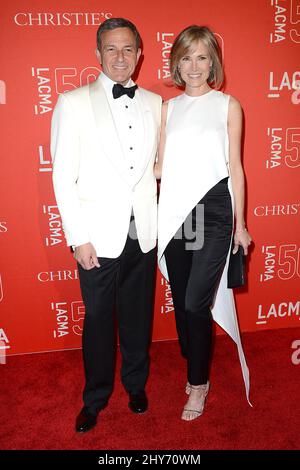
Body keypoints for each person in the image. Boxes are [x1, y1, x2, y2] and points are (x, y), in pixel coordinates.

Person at [51, 18, 162, 433]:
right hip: (96, 237)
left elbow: (154, 168)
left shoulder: (154, 102)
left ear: (139, 54)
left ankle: (135, 385)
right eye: (111, 49)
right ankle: (95, 398)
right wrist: (78, 238)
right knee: (98, 319)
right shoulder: (72, 102)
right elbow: (62, 177)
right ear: (98, 54)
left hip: (142, 231)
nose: (120, 57)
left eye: (128, 49)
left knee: (138, 317)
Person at [156, 25, 252, 421]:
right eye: (186, 57)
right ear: (177, 62)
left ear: (213, 61)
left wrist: (240, 224)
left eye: (201, 57)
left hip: (214, 211)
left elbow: (236, 168)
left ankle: (198, 384)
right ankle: (193, 354)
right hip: (174, 211)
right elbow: (159, 166)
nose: (194, 66)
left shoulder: (229, 105)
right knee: (182, 302)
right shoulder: (167, 108)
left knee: (197, 302)